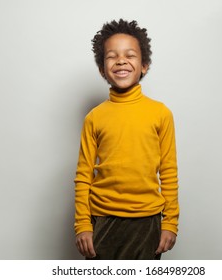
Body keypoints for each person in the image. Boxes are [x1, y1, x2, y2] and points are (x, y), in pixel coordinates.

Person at [74, 19, 179, 260]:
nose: (121, 60)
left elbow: (169, 171)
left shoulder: (161, 114)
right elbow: (83, 175)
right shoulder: (94, 118)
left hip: (148, 221)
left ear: (144, 65)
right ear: (102, 69)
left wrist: (170, 222)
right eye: (112, 56)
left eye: (130, 55)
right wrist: (83, 225)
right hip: (103, 220)